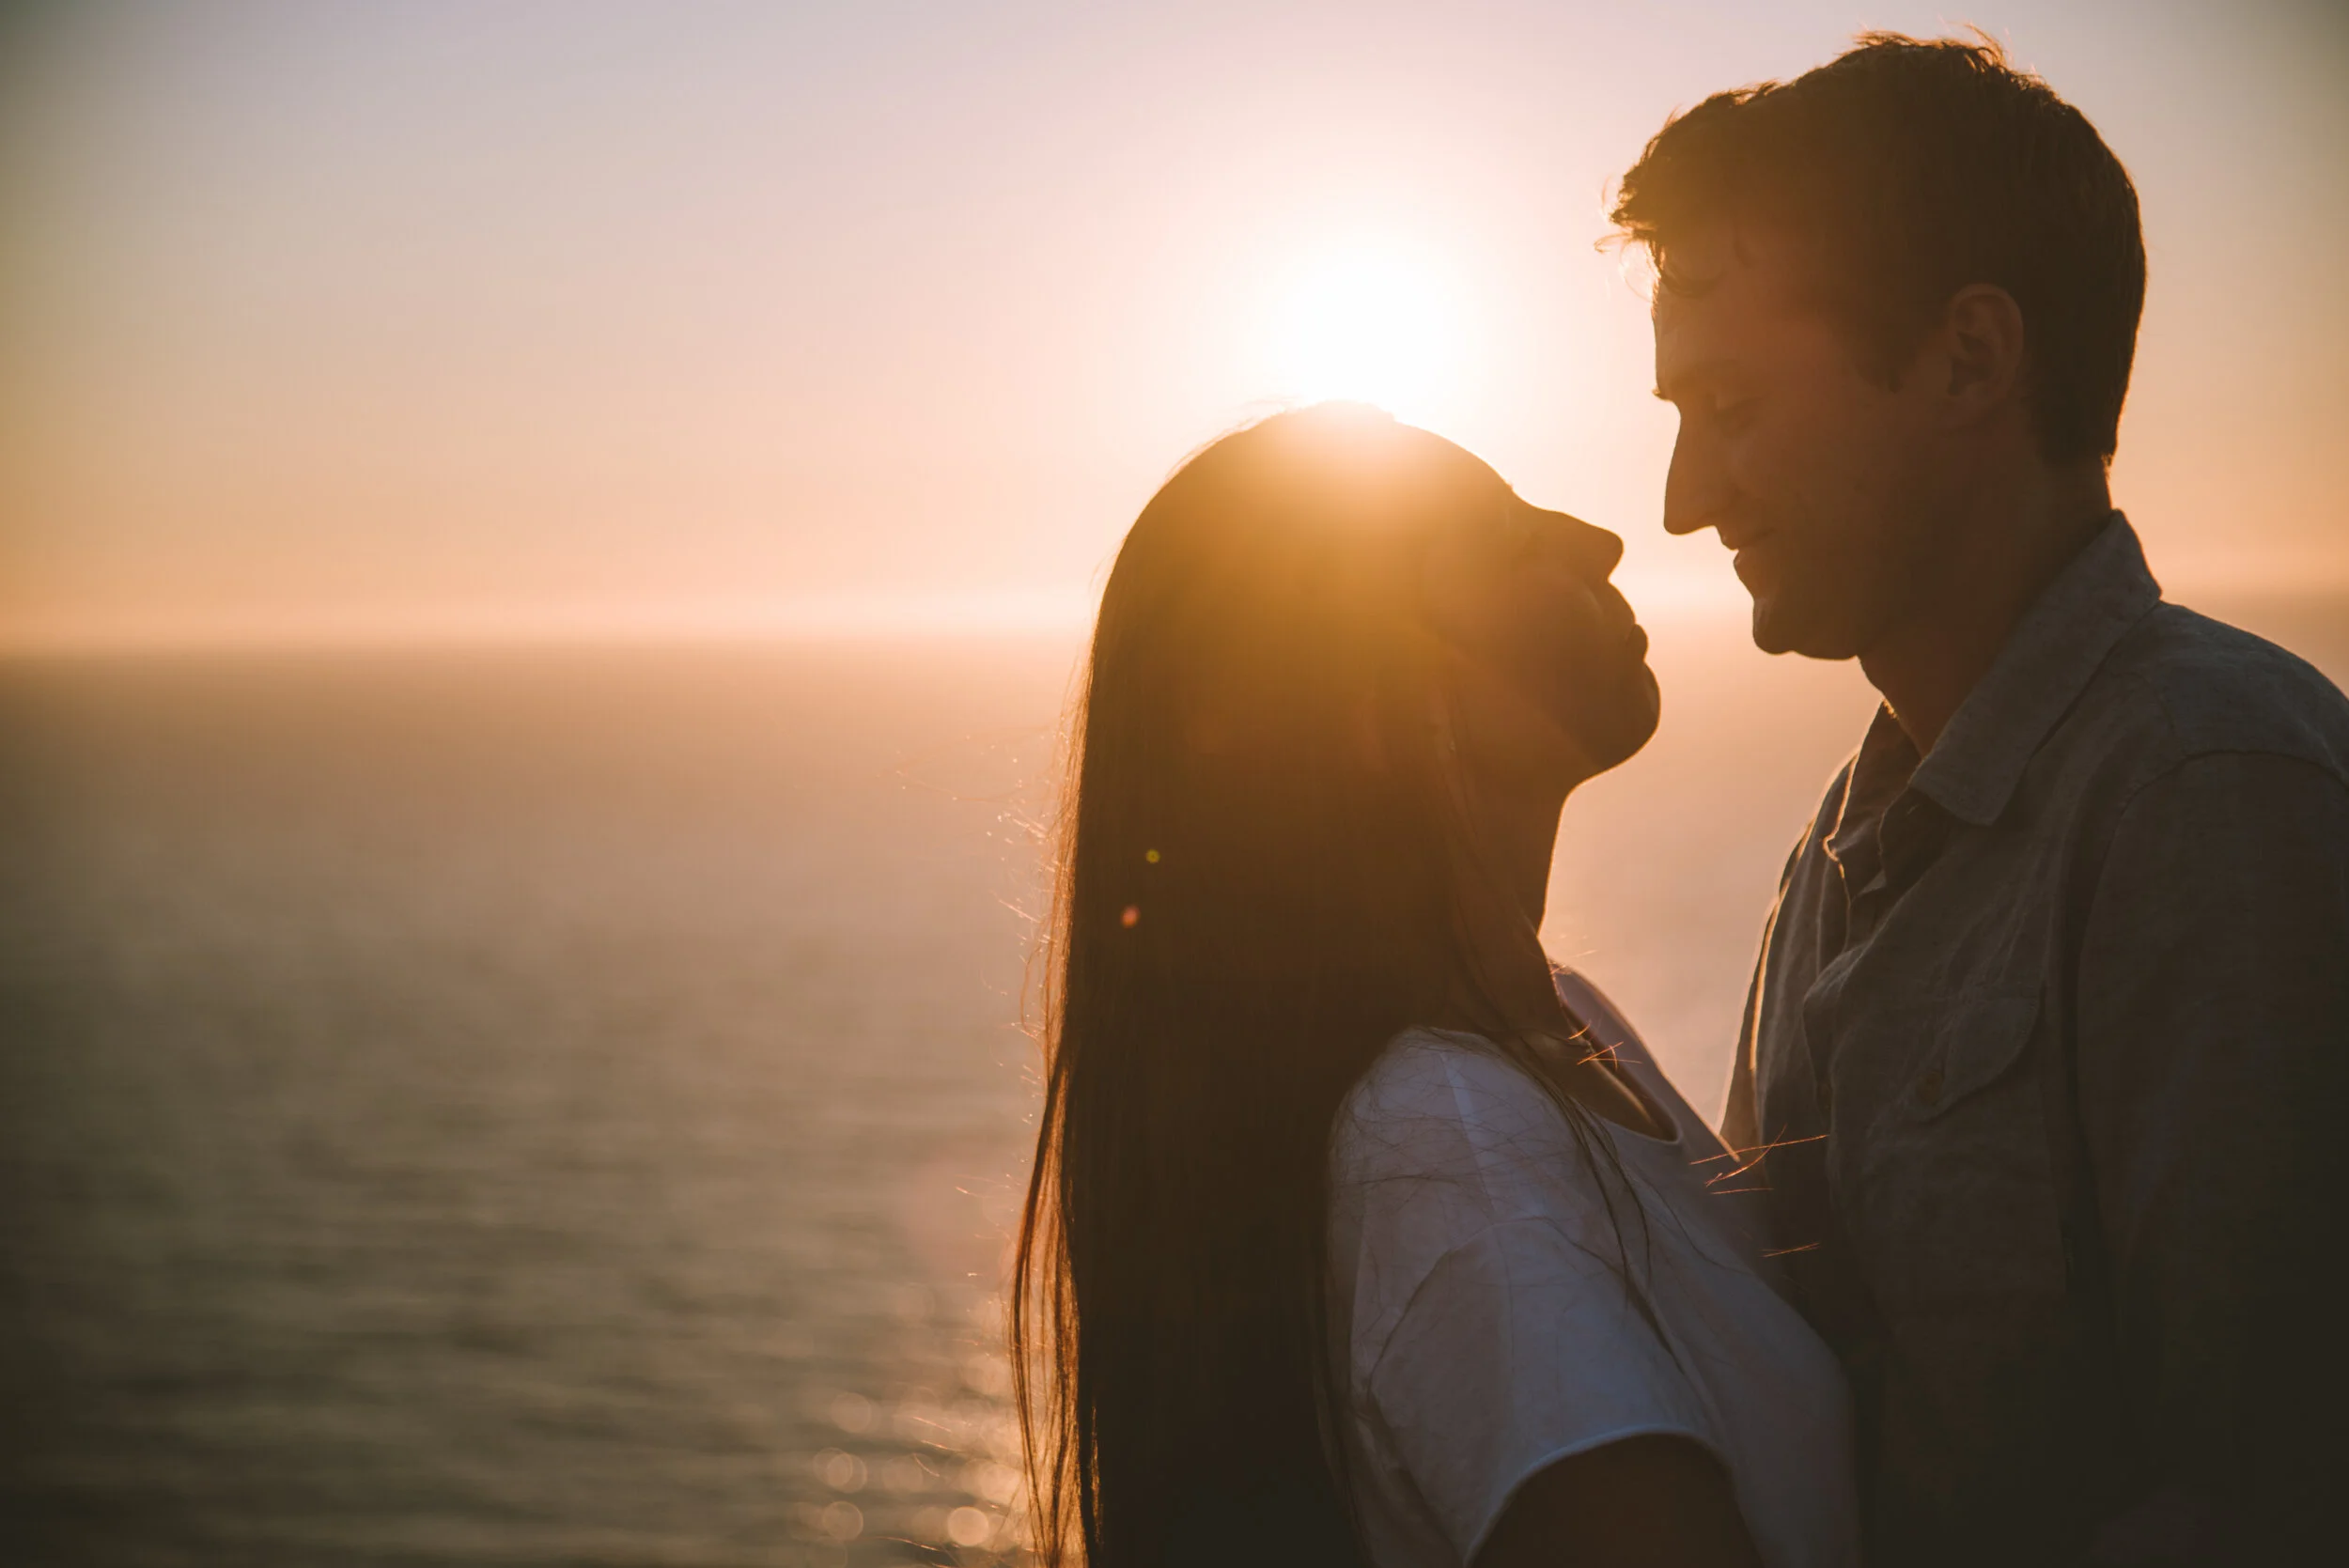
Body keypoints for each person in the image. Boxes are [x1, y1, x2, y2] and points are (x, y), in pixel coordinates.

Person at [1611, 32, 2349, 1564]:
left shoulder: (2215, 798)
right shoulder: (1842, 848)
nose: (1683, 497)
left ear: (1968, 359)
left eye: (1733, 402)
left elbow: (2273, 1491)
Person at [1009, 405, 1859, 1568]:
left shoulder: (1556, 1026)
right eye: (1511, 543)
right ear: (1370, 703)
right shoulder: (1450, 1150)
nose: (1600, 541)